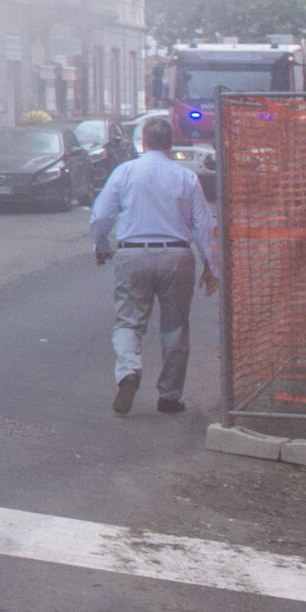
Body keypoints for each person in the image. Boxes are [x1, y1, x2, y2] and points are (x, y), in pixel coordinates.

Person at [88, 114, 218, 415]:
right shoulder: (186, 177)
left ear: (144, 141)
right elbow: (203, 224)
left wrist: (102, 247)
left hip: (133, 254)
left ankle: (128, 372)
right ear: (170, 144)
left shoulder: (124, 172)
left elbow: (100, 216)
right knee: (175, 327)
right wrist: (213, 266)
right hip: (177, 256)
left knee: (128, 321)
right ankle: (169, 396)